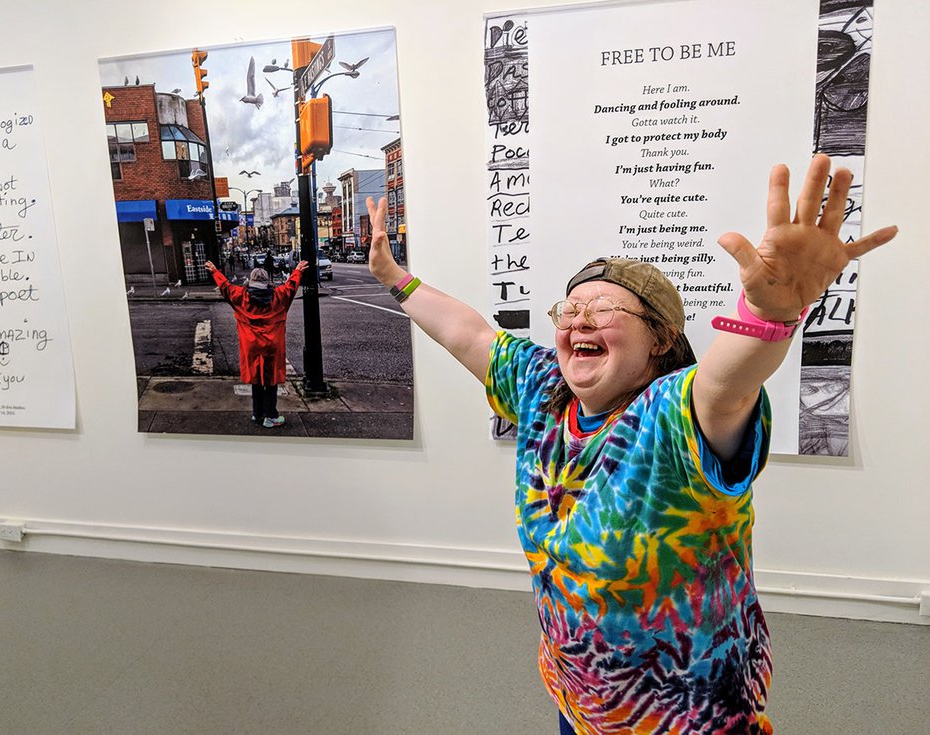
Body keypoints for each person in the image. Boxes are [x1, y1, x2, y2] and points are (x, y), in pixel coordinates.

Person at [365, 155, 897, 735]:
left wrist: (770, 314)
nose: (578, 322)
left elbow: (727, 384)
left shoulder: (673, 413)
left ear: (661, 338)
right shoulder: (544, 388)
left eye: (605, 310)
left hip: (689, 714)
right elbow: (468, 331)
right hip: (581, 692)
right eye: (569, 310)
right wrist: (396, 277)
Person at [205, 259, 308, 428]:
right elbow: (291, 287)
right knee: (271, 381)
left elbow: (226, 287)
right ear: (266, 283)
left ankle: (257, 413)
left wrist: (215, 270)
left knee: (256, 379)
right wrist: (298, 270)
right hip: (272, 346)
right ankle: (271, 416)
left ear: (251, 282)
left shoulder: (241, 297)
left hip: (251, 346)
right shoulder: (278, 297)